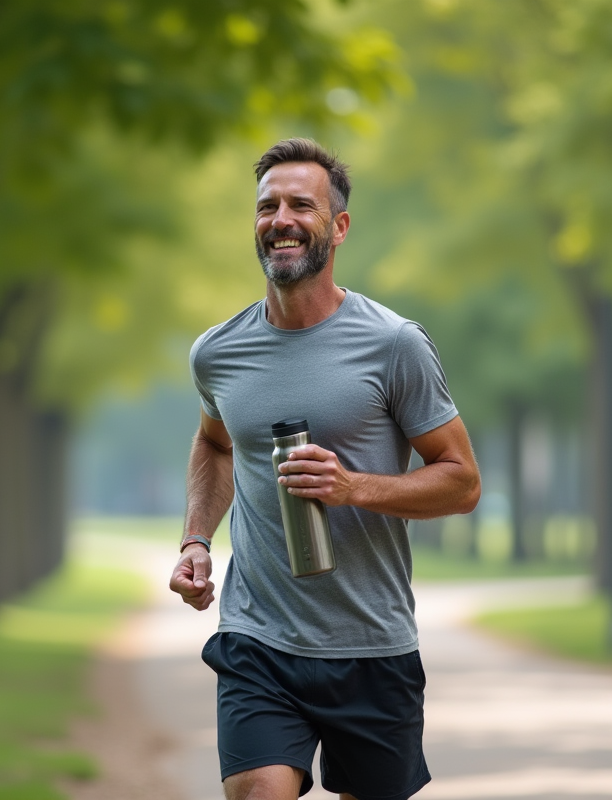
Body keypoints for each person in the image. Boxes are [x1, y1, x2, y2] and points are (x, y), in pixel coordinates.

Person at [169, 138, 481, 800]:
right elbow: (216, 444)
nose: (280, 217)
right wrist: (196, 538)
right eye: (267, 205)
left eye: (300, 204)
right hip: (258, 637)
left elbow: (461, 480)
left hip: (370, 642)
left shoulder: (394, 344)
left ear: (338, 227)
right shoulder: (218, 352)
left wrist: (354, 487)